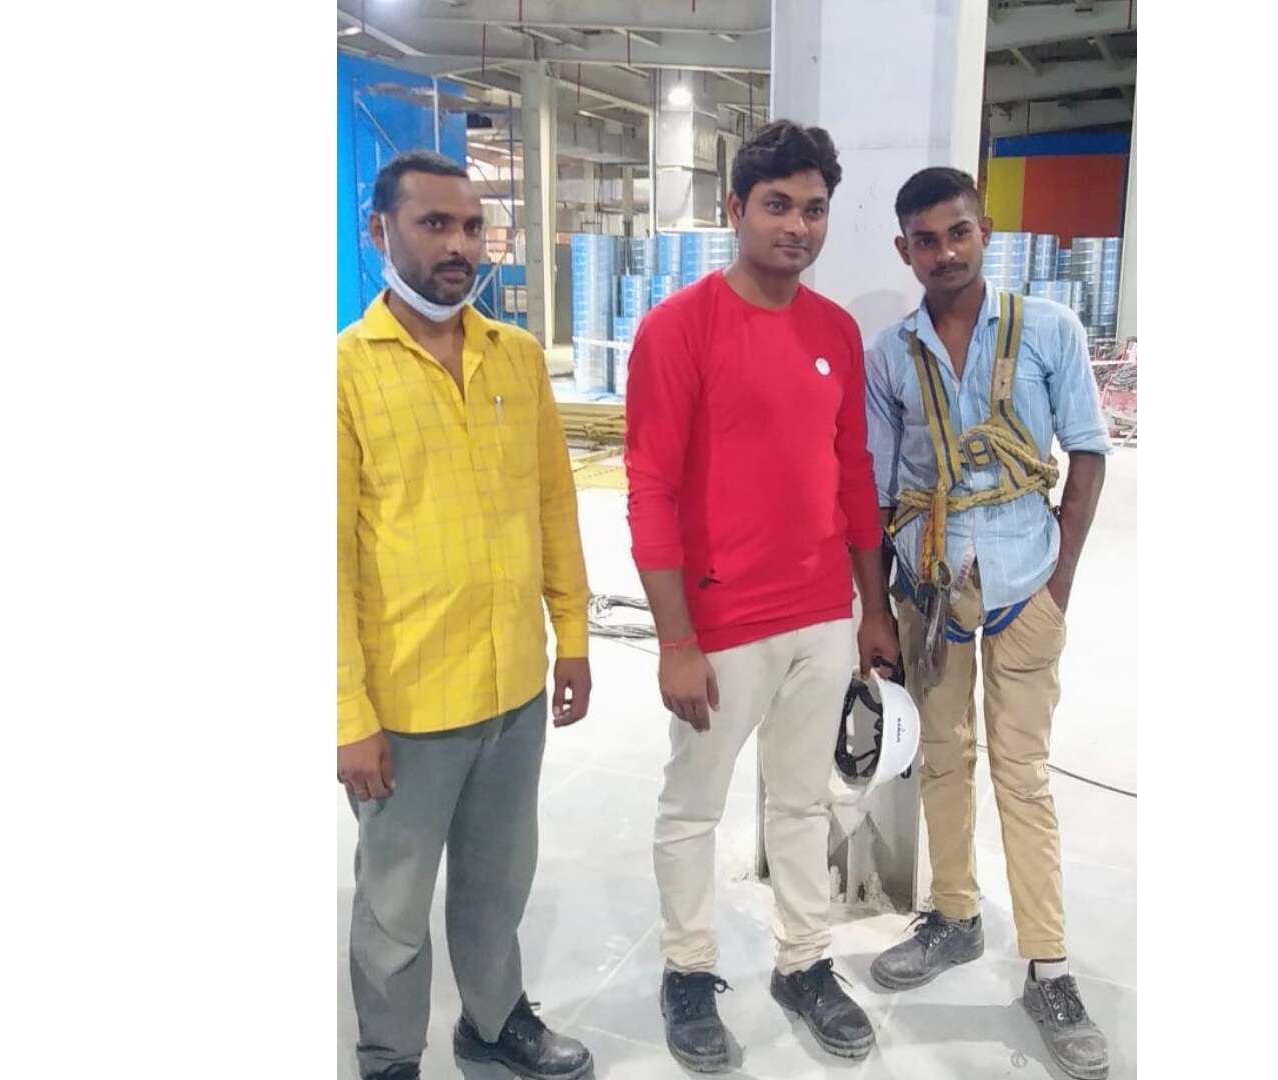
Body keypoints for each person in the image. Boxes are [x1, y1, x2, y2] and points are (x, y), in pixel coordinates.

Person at [623, 119, 901, 1073]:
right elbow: (650, 488)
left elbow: (854, 474)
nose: (797, 226)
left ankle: (803, 963)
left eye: (813, 209)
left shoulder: (834, 333)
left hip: (821, 615)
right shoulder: (678, 328)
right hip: (722, 624)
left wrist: (872, 609)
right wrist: (674, 640)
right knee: (693, 808)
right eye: (777, 206)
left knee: (802, 802)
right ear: (735, 208)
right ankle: (688, 970)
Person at [337, 149, 596, 1080]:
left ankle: (491, 1021)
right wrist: (347, 715)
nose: (459, 246)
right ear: (380, 231)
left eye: (473, 227)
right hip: (407, 704)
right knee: (395, 907)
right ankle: (388, 1057)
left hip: (512, 687)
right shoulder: (342, 374)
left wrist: (573, 636)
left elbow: (554, 505)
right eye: (434, 224)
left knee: (498, 880)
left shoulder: (514, 358)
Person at [860, 166, 1112, 1080]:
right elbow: (876, 491)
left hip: (1025, 583)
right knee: (942, 757)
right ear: (905, 251)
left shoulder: (1047, 329)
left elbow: (1086, 453)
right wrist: (876, 609)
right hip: (930, 593)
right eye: (926, 240)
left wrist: (1060, 584)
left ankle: (1048, 966)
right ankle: (955, 915)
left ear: (985, 230)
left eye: (958, 232)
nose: (945, 253)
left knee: (1023, 775)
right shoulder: (891, 355)